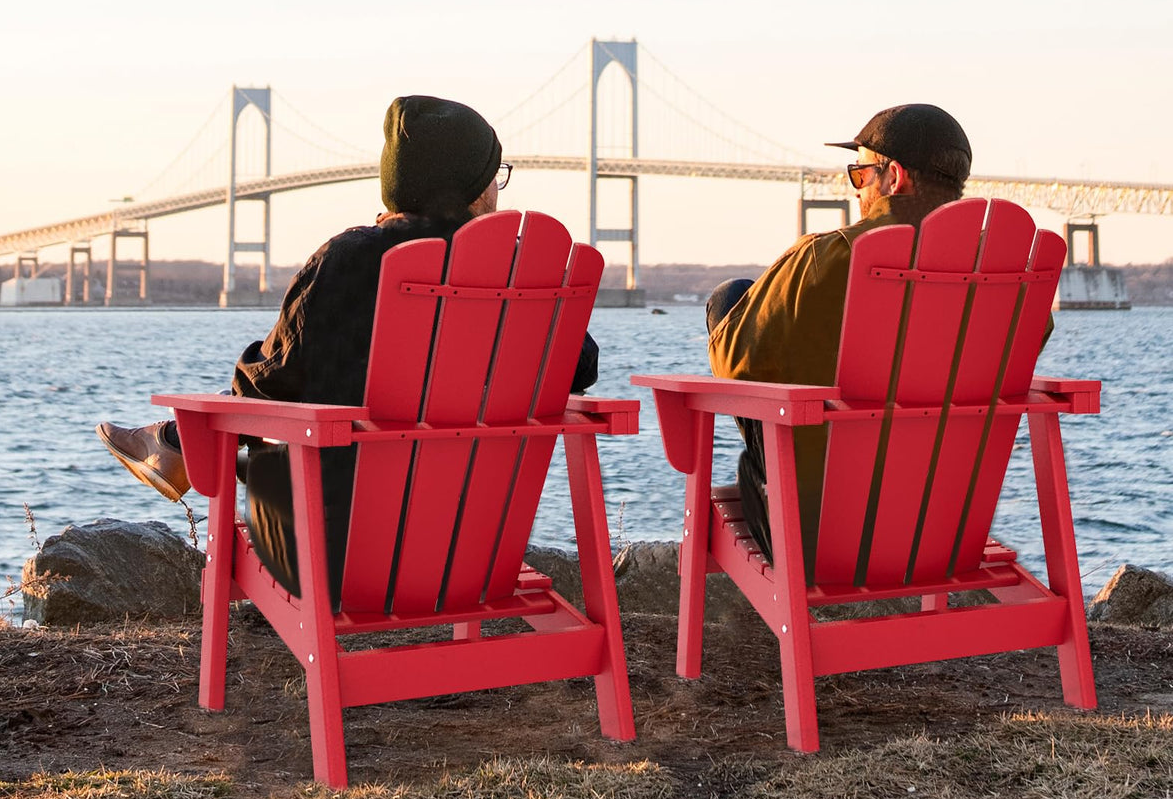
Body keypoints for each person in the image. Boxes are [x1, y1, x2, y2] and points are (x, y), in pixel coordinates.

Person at [97, 95, 599, 605]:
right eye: (495, 173)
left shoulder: (348, 260)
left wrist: (213, 415)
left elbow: (265, 382)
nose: (498, 187)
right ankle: (183, 445)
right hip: (476, 553)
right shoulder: (525, 279)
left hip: (340, 558)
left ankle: (177, 444)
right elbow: (581, 366)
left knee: (267, 419)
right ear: (471, 186)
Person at [706, 103, 974, 572]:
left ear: (893, 178)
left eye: (859, 174)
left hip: (817, 535)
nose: (856, 191)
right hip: (943, 531)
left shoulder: (824, 260)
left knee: (733, 298)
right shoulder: (1007, 281)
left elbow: (732, 363)